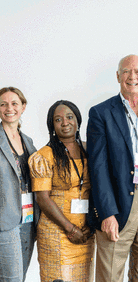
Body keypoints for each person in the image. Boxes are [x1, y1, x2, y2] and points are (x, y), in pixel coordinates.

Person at [87, 54, 138, 282]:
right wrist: (107, 212)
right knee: (110, 276)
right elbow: (98, 167)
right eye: (126, 71)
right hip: (117, 203)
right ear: (117, 76)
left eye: (137, 72)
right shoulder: (100, 113)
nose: (132, 77)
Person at [28, 100, 94, 282]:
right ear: (52, 126)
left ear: (78, 121)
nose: (65, 123)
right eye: (58, 119)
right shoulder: (44, 156)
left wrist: (90, 225)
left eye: (70, 117)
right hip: (57, 233)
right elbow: (42, 198)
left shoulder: (90, 150)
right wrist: (70, 229)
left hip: (85, 233)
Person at [0, 87, 37, 282]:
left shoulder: (28, 141)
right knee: (11, 278)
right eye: (3, 104)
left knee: (20, 276)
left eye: (14, 103)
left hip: (28, 219)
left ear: (23, 107)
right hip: (5, 221)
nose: (9, 108)